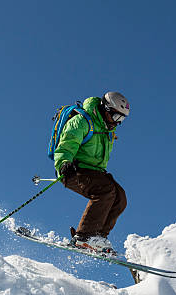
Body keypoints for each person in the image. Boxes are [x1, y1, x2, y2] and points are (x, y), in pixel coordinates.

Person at [54, 91, 130, 253]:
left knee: (120, 197)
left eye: (122, 119)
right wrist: (63, 163)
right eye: (116, 117)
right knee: (105, 191)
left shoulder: (107, 129)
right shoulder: (82, 121)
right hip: (73, 170)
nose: (118, 123)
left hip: (95, 173)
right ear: (106, 110)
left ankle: (97, 237)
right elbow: (67, 143)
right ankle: (84, 237)